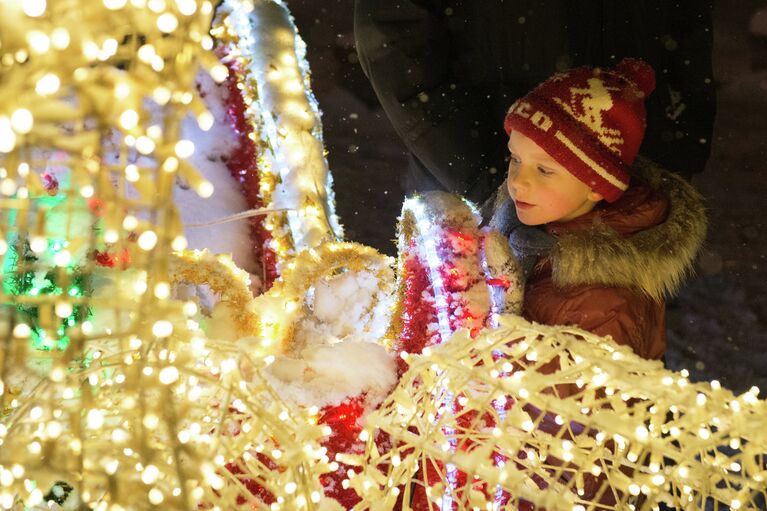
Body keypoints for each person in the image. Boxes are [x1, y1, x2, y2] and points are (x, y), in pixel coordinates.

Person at [354, 0, 716, 204]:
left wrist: (677, 143)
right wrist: (480, 168)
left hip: (631, 183)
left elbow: (689, 23)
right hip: (477, 181)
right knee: (474, 334)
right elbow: (393, 26)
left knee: (613, 331)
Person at [483, 57, 707, 359]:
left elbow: (566, 400)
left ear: (596, 185)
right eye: (516, 159)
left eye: (544, 170)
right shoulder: (515, 232)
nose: (518, 183)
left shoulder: (605, 304)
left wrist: (490, 344)